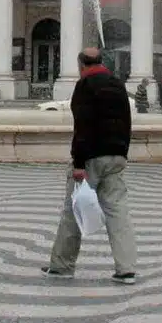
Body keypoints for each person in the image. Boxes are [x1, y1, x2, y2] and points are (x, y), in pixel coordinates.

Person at [42, 47, 138, 283]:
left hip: (92, 157)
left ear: (81, 64)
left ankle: (62, 265)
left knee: (74, 210)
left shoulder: (85, 86)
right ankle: (126, 268)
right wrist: (122, 153)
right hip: (116, 155)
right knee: (118, 212)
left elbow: (83, 126)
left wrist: (78, 163)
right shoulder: (117, 84)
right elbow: (126, 120)